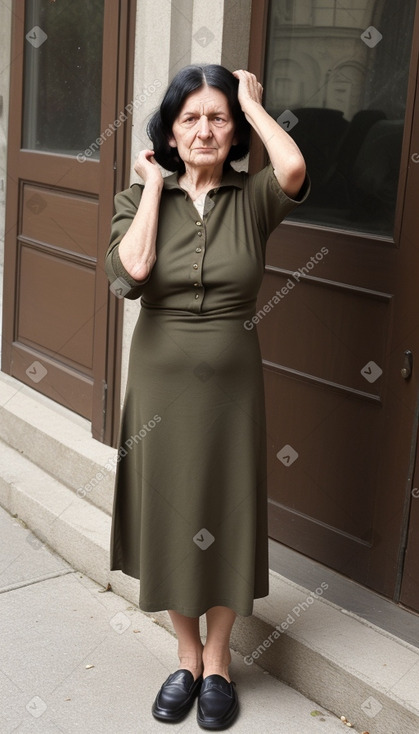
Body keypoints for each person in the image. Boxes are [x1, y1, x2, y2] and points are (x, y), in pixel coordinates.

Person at [105, 64, 309, 730]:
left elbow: (295, 166)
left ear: (235, 128)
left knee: (224, 511)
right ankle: (185, 656)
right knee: (170, 515)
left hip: (232, 390)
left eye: (216, 117)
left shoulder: (251, 198)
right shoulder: (138, 199)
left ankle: (219, 662)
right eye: (189, 117)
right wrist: (155, 186)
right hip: (160, 384)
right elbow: (130, 274)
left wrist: (250, 104)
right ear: (167, 129)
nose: (204, 129)